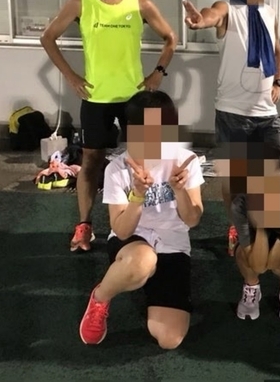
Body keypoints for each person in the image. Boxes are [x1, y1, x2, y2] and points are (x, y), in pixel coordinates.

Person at [39, 0, 180, 252]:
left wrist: (158, 73)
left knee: (143, 160)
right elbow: (48, 38)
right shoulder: (80, 2)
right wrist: (71, 76)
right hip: (96, 99)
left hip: (134, 99)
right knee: (91, 161)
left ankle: (141, 222)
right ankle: (84, 226)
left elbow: (171, 38)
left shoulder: (140, 3)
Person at [183, 0, 280, 258]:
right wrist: (200, 21)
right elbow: (211, 15)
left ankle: (276, 225)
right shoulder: (227, 8)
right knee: (234, 177)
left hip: (266, 111)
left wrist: (279, 80)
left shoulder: (269, 12)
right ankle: (236, 227)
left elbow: (277, 49)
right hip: (232, 112)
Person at [78, 90, 204, 349]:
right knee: (143, 261)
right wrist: (137, 195)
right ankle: (100, 297)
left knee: (169, 339)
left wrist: (180, 190)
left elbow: (192, 220)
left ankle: (146, 281)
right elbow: (122, 231)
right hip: (133, 242)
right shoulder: (117, 169)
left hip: (173, 244)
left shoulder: (184, 161)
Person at [214, 144, 280, 323]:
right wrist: (260, 226)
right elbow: (258, 265)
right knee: (243, 254)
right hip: (256, 245)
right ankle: (252, 286)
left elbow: (275, 263)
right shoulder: (241, 204)